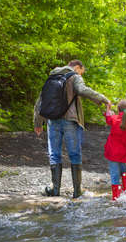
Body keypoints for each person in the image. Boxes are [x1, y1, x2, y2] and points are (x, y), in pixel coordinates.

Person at [34, 60, 111, 198]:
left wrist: (38, 122)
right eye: (82, 71)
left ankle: (55, 190)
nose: (81, 74)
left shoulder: (52, 75)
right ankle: (77, 191)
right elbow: (82, 90)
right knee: (74, 154)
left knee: (54, 154)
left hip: (52, 120)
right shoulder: (74, 76)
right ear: (77, 67)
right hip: (70, 120)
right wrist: (103, 99)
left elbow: (41, 100)